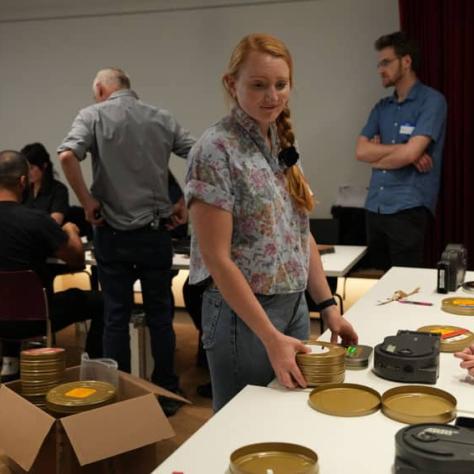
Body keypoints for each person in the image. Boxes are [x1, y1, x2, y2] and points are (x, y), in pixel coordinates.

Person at [185, 33, 358, 412]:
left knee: (283, 415)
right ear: (232, 84)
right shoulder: (215, 149)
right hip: (242, 316)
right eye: (258, 85)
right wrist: (269, 336)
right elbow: (217, 259)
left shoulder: (282, 144)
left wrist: (327, 306)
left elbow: (301, 233)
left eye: (281, 85)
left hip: (294, 305)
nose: (272, 96)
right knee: (241, 424)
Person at [57, 67, 195, 416]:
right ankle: (166, 392)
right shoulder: (161, 117)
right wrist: (185, 202)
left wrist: (87, 202)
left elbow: (67, 155)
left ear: (102, 89)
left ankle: (118, 393)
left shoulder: (92, 115)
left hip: (112, 235)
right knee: (161, 317)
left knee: (116, 317)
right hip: (155, 233)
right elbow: (200, 155)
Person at [0, 150, 103, 379]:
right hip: (35, 318)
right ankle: (94, 372)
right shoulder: (35, 220)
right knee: (104, 302)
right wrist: (71, 230)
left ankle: (10, 362)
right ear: (23, 181)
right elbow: (76, 261)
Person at [356, 31, 447, 271]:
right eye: (379, 64)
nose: (380, 69)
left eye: (386, 62)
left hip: (408, 207)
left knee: (405, 287)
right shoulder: (381, 107)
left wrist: (385, 152)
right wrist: (403, 150)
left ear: (406, 62)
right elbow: (361, 152)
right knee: (376, 284)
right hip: (375, 205)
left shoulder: (432, 101)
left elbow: (409, 154)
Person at [21, 142, 69, 225]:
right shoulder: (25, 188)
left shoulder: (59, 190)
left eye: (31, 168)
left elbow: (54, 223)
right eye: (26, 168)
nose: (28, 172)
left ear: (44, 165)